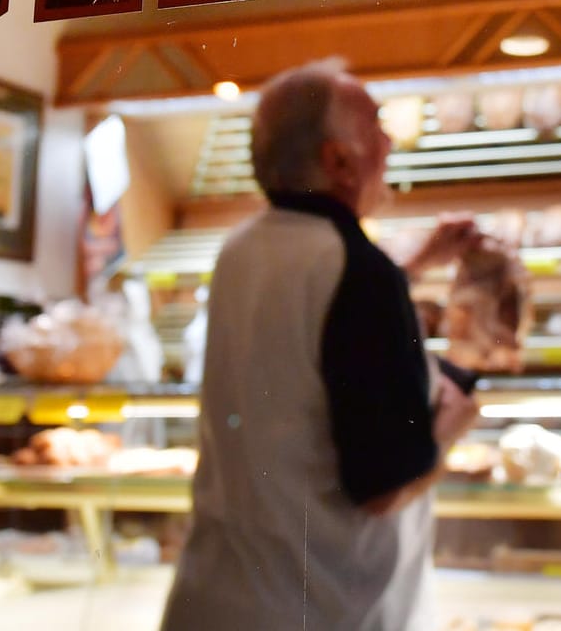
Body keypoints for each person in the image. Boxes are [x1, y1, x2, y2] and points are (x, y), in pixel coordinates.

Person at [159, 58, 480, 630]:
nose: (389, 142)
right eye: (378, 126)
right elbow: (383, 488)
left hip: (212, 603)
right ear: (337, 161)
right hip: (320, 608)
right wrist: (454, 426)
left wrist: (415, 265)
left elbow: (311, 318)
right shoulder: (360, 272)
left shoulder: (239, 250)